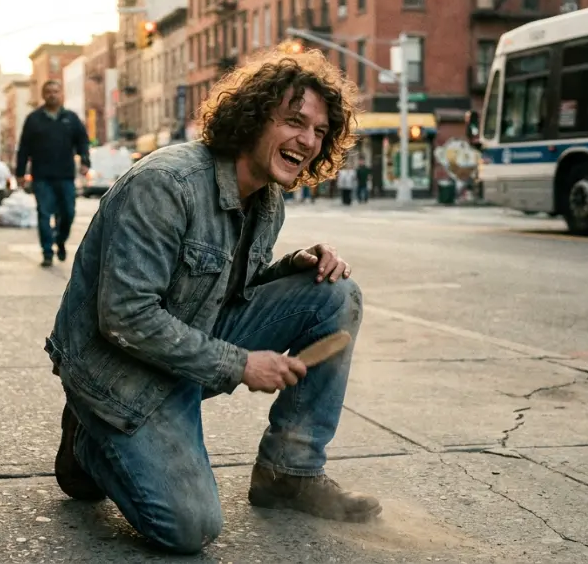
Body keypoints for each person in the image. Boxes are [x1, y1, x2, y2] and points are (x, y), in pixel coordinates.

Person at [46, 43, 379, 555]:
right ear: (252, 117)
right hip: (118, 374)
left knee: (335, 294)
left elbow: (217, 290)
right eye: (295, 121)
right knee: (191, 528)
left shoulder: (266, 198)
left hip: (181, 352)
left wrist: (293, 267)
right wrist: (241, 364)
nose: (308, 141)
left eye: (319, 132)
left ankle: (287, 472)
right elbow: (125, 316)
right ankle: (87, 443)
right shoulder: (166, 184)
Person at [16, 80, 90, 267]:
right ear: (43, 94)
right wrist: (20, 173)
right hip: (41, 176)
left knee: (68, 213)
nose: (52, 95)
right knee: (44, 213)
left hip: (65, 175)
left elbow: (82, 141)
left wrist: (85, 160)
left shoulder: (71, 118)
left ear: (61, 94)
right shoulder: (33, 119)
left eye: (55, 91)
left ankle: (60, 239)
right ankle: (47, 252)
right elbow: (24, 148)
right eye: (48, 91)